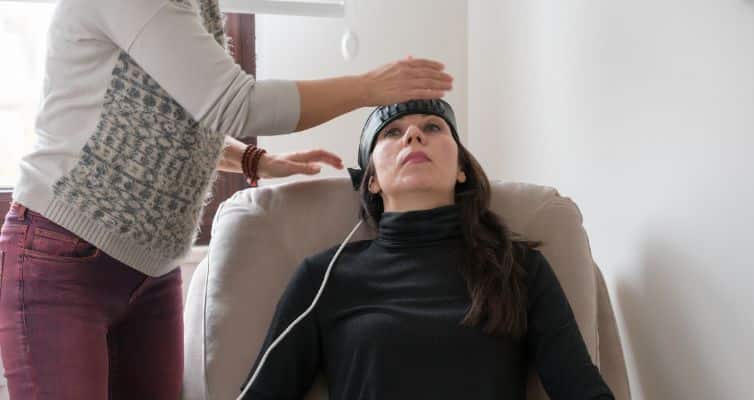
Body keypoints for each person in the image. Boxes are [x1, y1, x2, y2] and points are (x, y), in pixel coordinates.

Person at [0, 0, 453, 398]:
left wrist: (254, 160)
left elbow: (173, 118)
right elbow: (233, 103)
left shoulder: (196, 6)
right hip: (61, 260)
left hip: (152, 273)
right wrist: (368, 87)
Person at [241, 99, 615, 399]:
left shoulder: (519, 267)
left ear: (461, 170)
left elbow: (580, 388)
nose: (414, 135)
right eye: (392, 133)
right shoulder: (323, 277)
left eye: (432, 127)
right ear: (371, 182)